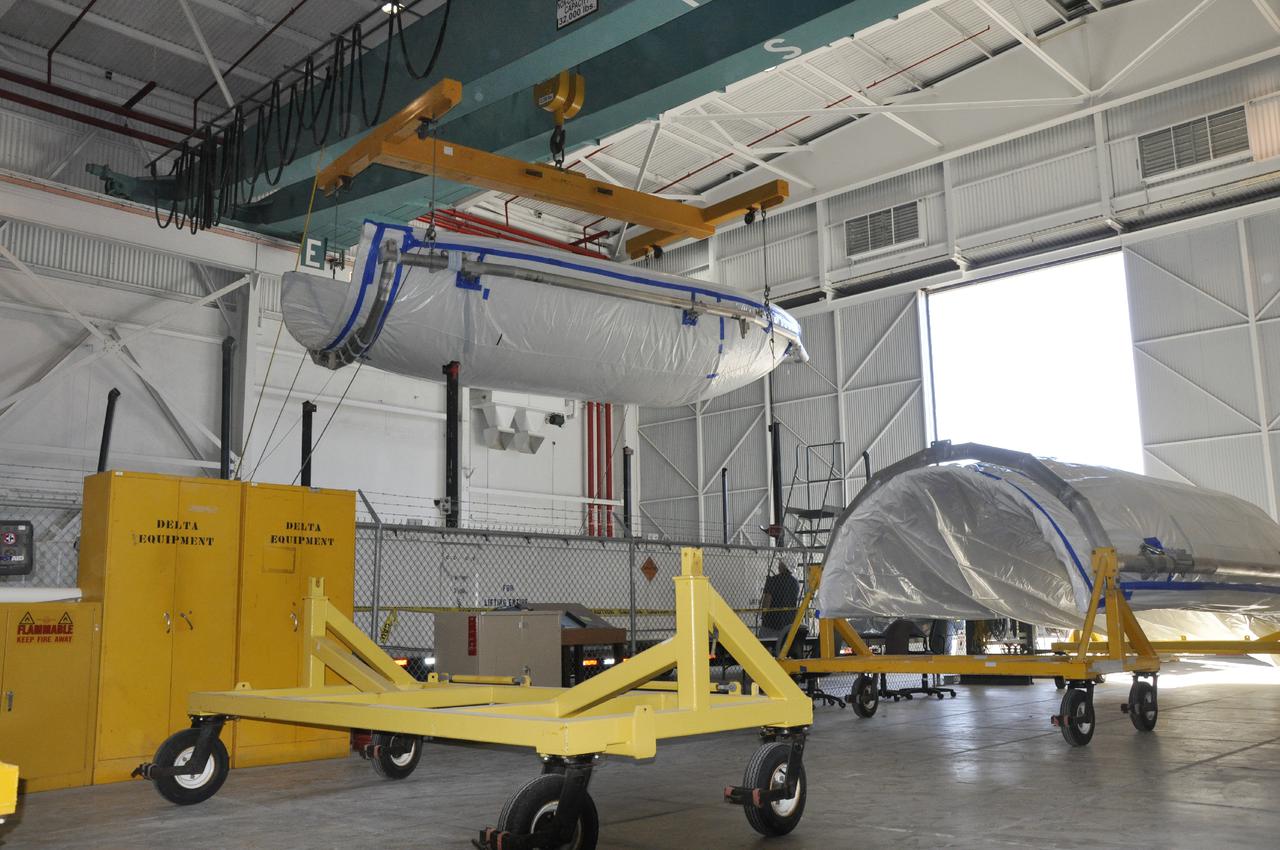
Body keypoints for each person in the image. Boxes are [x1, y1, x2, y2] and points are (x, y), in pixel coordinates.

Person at [758, 560, 800, 654]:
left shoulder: (772, 581)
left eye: (780, 564)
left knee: (764, 644)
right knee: (781, 646)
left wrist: (763, 614)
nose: (778, 566)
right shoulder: (795, 583)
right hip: (788, 621)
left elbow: (767, 599)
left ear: (783, 567)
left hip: (771, 621)